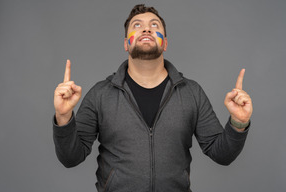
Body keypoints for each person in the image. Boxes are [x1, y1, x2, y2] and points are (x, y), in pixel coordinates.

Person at [53, 4, 253, 192]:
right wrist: (63, 117)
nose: (146, 30)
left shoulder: (191, 92)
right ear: (126, 43)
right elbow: (71, 158)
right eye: (137, 25)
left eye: (154, 25)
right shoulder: (101, 94)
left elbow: (222, 154)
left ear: (164, 43)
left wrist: (238, 122)